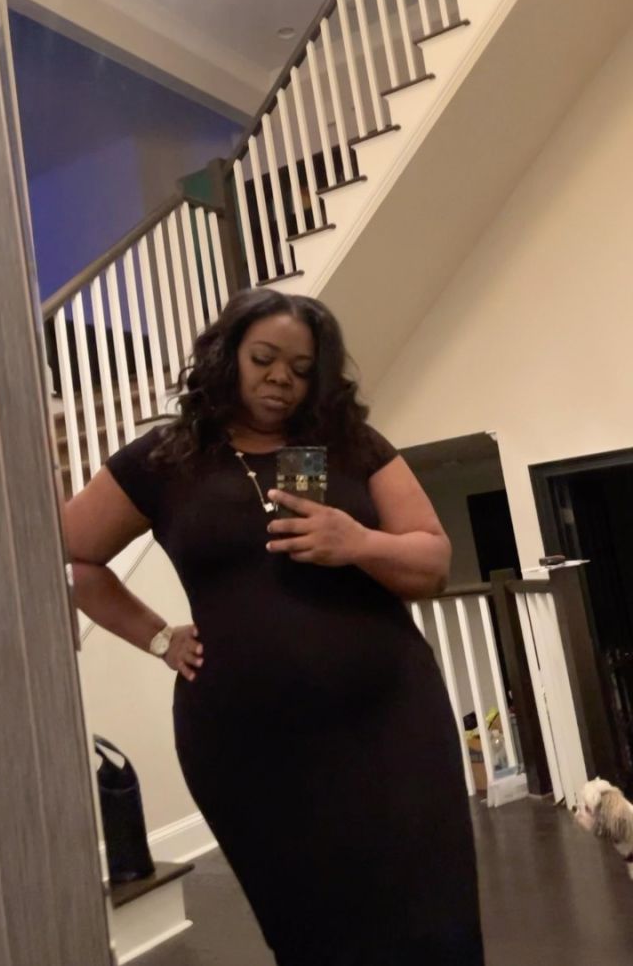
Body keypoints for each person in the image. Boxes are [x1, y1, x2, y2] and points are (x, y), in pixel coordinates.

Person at [66, 288, 484, 966]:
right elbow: (71, 555)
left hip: (389, 724)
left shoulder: (352, 446)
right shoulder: (166, 459)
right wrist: (157, 636)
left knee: (432, 918)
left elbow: (432, 561)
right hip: (247, 747)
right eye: (264, 359)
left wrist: (357, 542)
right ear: (228, 356)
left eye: (300, 367)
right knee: (311, 931)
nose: (281, 378)